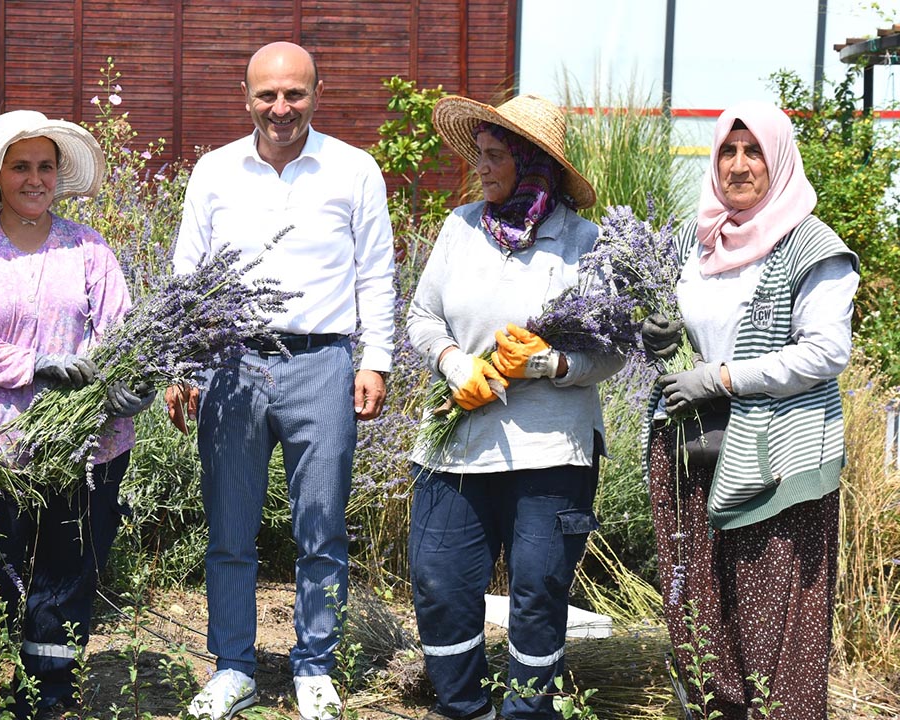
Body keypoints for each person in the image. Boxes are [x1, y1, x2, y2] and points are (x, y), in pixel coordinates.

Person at [165, 41, 396, 720]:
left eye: (294, 93)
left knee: (320, 529)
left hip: (321, 364)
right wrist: (182, 364)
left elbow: (376, 273)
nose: (281, 107)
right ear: (247, 97)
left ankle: (314, 666)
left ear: (316, 95)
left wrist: (374, 360)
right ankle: (234, 665)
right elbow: (187, 276)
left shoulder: (353, 171)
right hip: (231, 366)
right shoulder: (213, 172)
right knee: (228, 530)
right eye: (268, 94)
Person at [405, 94, 623, 720]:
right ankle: (463, 707)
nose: (482, 168)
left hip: (551, 453)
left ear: (533, 164)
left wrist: (552, 365)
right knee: (443, 584)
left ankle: (528, 712)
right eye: (479, 154)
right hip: (455, 447)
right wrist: (456, 364)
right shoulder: (459, 227)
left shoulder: (587, 243)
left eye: (495, 156)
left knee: (537, 593)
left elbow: (613, 351)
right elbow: (423, 316)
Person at [639, 101, 858, 719]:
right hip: (693, 451)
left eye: (753, 150)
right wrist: (660, 336)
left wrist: (723, 377)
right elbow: (683, 330)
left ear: (779, 158)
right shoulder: (696, 237)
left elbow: (825, 352)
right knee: (700, 620)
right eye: (727, 151)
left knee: (773, 633)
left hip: (774, 464)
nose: (738, 166)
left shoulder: (811, 245)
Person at [0, 109, 155, 714]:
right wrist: (34, 364)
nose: (35, 179)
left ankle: (48, 697)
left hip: (87, 444)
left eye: (46, 167)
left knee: (65, 577)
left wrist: (127, 383)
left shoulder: (88, 248)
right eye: (20, 166)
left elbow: (123, 331)